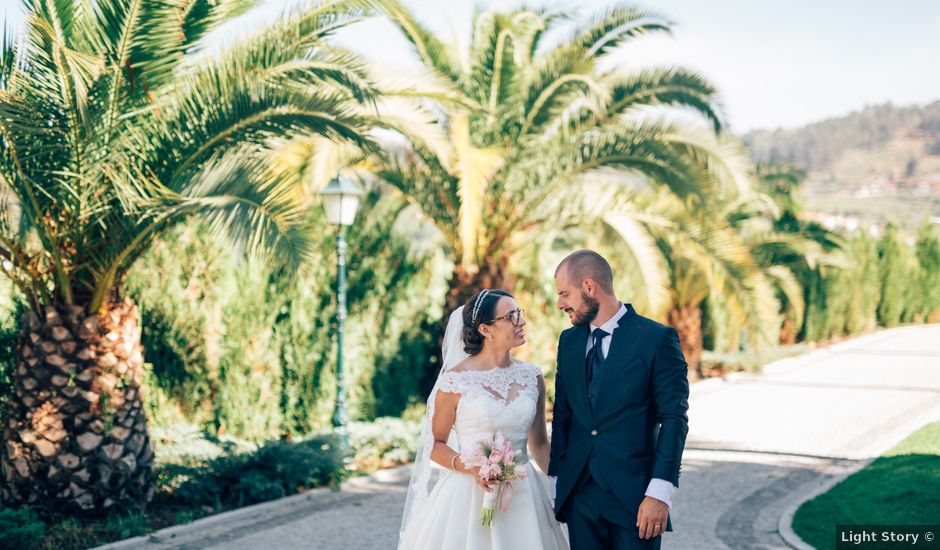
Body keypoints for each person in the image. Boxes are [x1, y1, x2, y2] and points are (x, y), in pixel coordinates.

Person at [398, 289, 569, 549]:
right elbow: (435, 445)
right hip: (467, 495)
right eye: (511, 316)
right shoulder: (454, 381)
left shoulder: (532, 377)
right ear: (485, 330)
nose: (521, 322)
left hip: (524, 494)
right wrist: (470, 467)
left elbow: (540, 445)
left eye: (519, 314)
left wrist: (561, 488)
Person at [549, 249, 690, 550]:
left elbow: (674, 420)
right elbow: (563, 416)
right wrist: (556, 480)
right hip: (580, 496)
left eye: (564, 294)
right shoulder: (568, 342)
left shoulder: (656, 339)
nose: (560, 304)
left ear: (589, 287)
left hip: (637, 497)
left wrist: (659, 492)